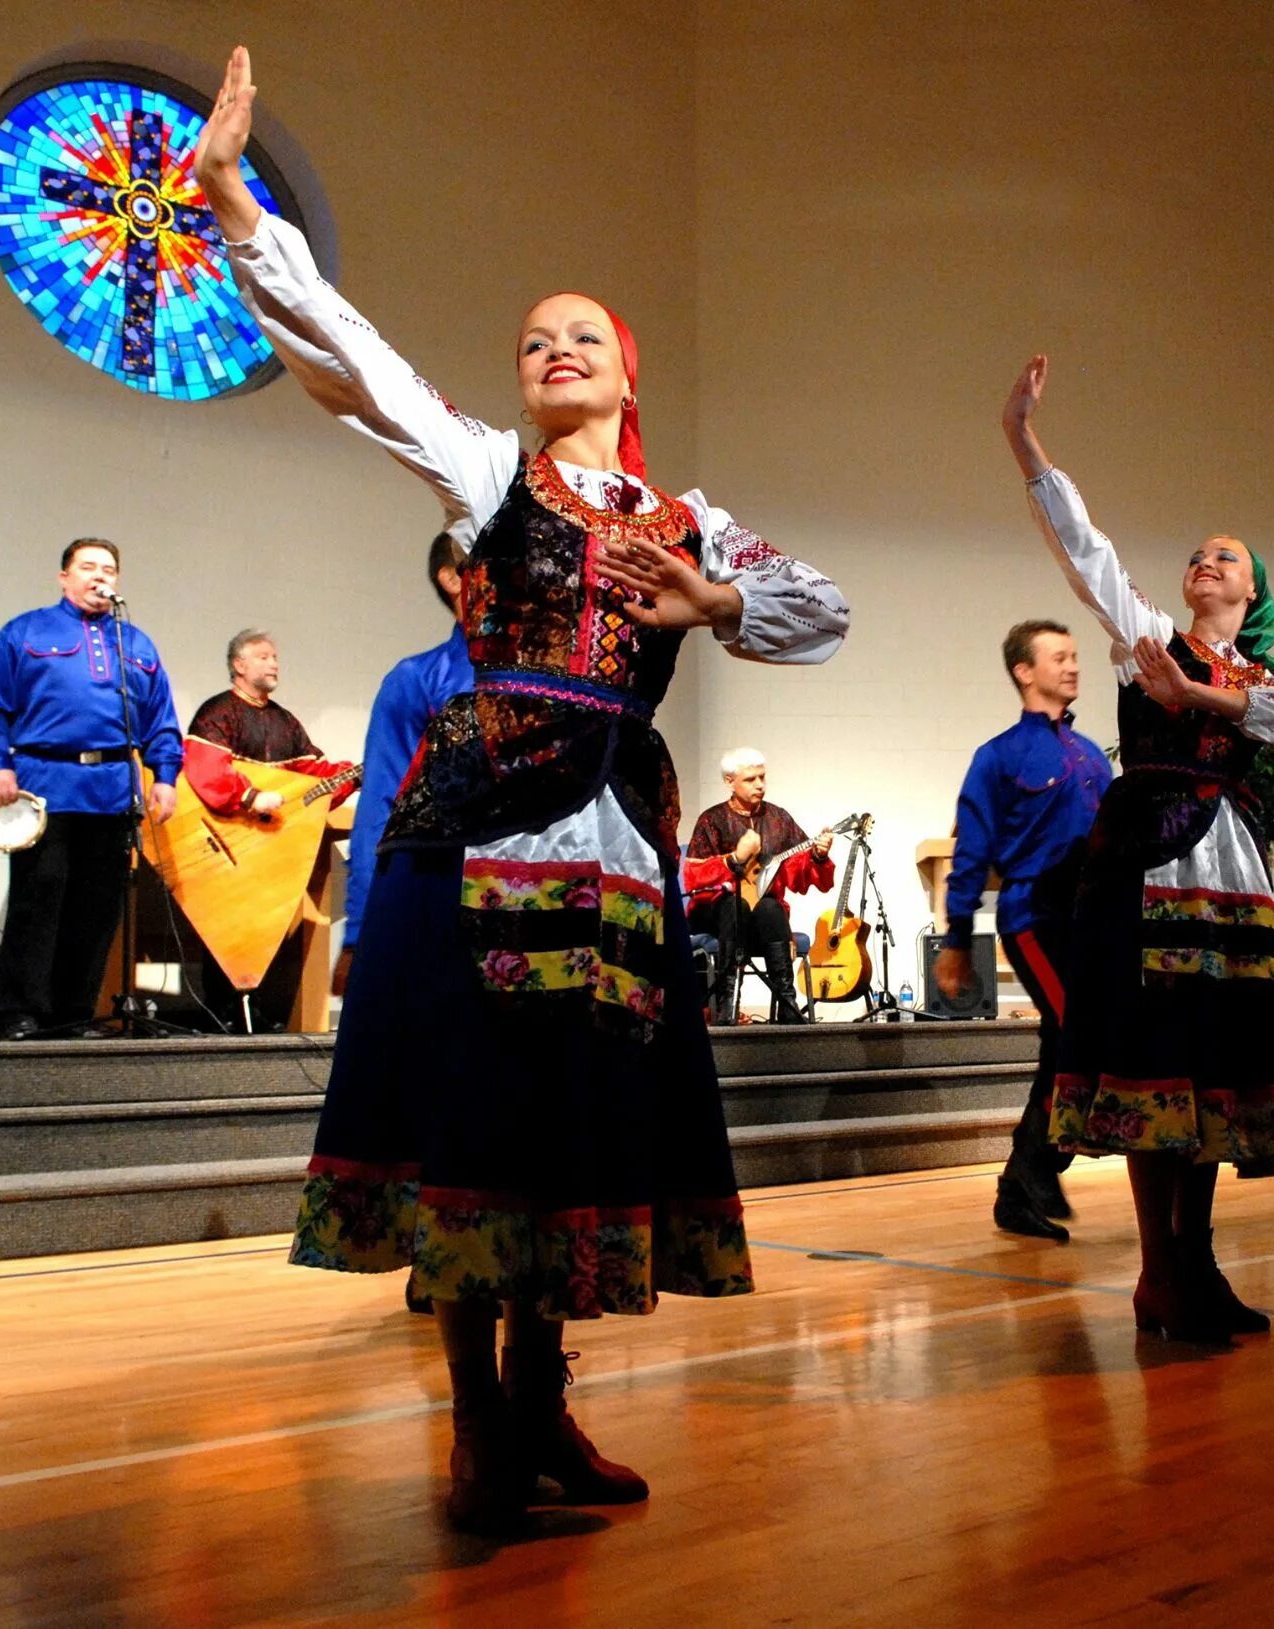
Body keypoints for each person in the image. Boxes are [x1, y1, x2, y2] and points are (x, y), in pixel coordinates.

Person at [195, 45, 849, 1534]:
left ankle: (546, 1401)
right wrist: (239, 200)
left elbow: (823, 608)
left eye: (580, 336)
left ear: (631, 368)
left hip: (612, 841)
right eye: (532, 338)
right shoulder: (492, 478)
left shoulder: (695, 525)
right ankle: (478, 1418)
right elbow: (351, 362)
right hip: (475, 828)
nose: (551, 349)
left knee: (570, 1124)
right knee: (475, 1121)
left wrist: (715, 606)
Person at [1002, 353, 1274, 1345]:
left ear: (1251, 591)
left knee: (1213, 1063)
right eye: (1198, 553)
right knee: (1156, 1058)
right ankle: (1156, 1270)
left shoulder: (1263, 679)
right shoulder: (1148, 636)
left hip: (1225, 873)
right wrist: (1023, 440)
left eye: (1224, 558)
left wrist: (1204, 699)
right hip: (1147, 864)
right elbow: (1083, 550)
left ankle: (1195, 1258)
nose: (1204, 564)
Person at [933, 619, 1113, 1242]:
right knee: (1078, 1032)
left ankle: (1025, 1180)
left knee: (1072, 1041)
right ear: (1023, 670)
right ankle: (1033, 1170)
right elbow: (971, 851)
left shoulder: (1091, 755)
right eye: (1059, 657)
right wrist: (958, 939)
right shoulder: (999, 756)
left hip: (1090, 918)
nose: (1072, 666)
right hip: (1036, 914)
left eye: (1075, 657)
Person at [0, 539, 181, 1039]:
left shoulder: (137, 644)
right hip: (44, 784)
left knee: (97, 908)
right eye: (87, 567)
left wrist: (165, 776)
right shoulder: (26, 631)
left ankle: (73, 1011)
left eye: (108, 568)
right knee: (39, 900)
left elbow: (160, 720)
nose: (98, 576)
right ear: (64, 576)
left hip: (111, 790)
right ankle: (19, 1010)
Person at [184, 629, 356, 1031]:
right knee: (227, 927)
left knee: (266, 926)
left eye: (275, 656)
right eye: (263, 656)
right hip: (221, 845)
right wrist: (248, 798)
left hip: (266, 851)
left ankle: (253, 1010)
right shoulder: (218, 713)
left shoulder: (285, 722)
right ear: (238, 666)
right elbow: (205, 770)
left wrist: (354, 773)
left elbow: (311, 778)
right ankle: (223, 1011)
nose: (273, 662)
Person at [332, 534, 474, 1003]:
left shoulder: (557, 676)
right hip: (443, 899)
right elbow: (380, 813)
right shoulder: (416, 680)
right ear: (452, 579)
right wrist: (360, 932)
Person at [684, 748, 835, 1024]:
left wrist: (818, 855)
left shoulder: (778, 819)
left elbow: (799, 875)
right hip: (716, 916)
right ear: (730, 781)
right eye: (751, 779)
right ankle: (728, 1007)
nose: (760, 785)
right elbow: (693, 877)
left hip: (761, 921)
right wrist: (734, 860)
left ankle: (787, 1003)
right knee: (735, 904)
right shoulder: (712, 819)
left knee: (770, 906)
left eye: (762, 777)